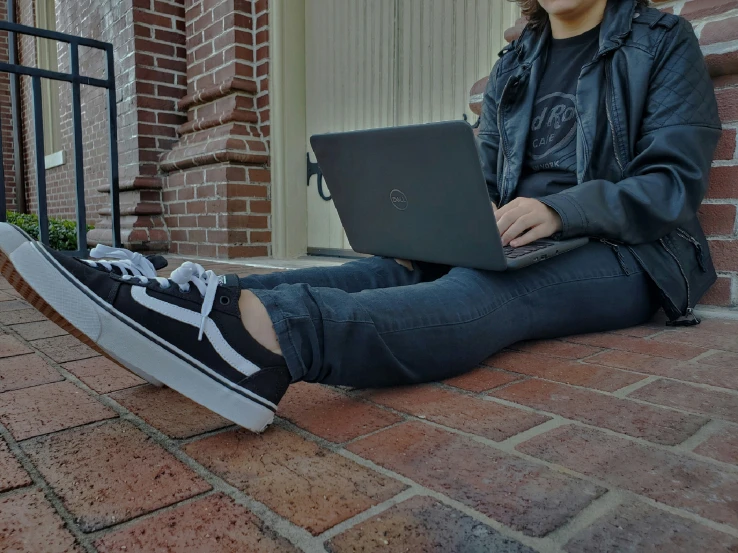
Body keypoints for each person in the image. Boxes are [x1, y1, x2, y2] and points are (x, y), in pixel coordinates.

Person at [0, 0, 721, 433]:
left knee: (486, 295)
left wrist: (558, 209)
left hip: (632, 251)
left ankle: (260, 347)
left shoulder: (661, 42)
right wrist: (434, 218)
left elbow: (670, 184)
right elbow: (481, 168)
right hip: (514, 233)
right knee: (388, 267)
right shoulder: (519, 61)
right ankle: (195, 302)